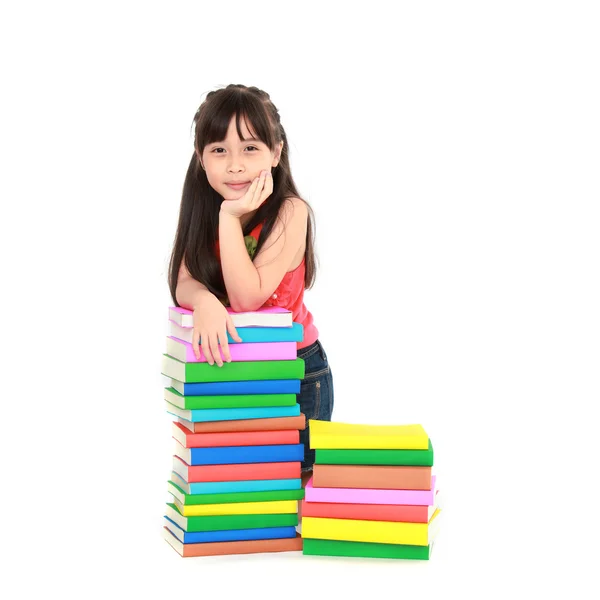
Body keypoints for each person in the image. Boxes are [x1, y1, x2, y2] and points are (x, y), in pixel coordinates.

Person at [168, 84, 334, 488]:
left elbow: (246, 298)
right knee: (238, 488)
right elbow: (183, 281)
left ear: (276, 153)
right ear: (200, 157)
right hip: (232, 370)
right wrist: (204, 299)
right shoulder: (203, 208)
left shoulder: (291, 212)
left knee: (285, 493)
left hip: (294, 374)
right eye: (219, 150)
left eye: (250, 148)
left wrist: (230, 217)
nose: (235, 166)